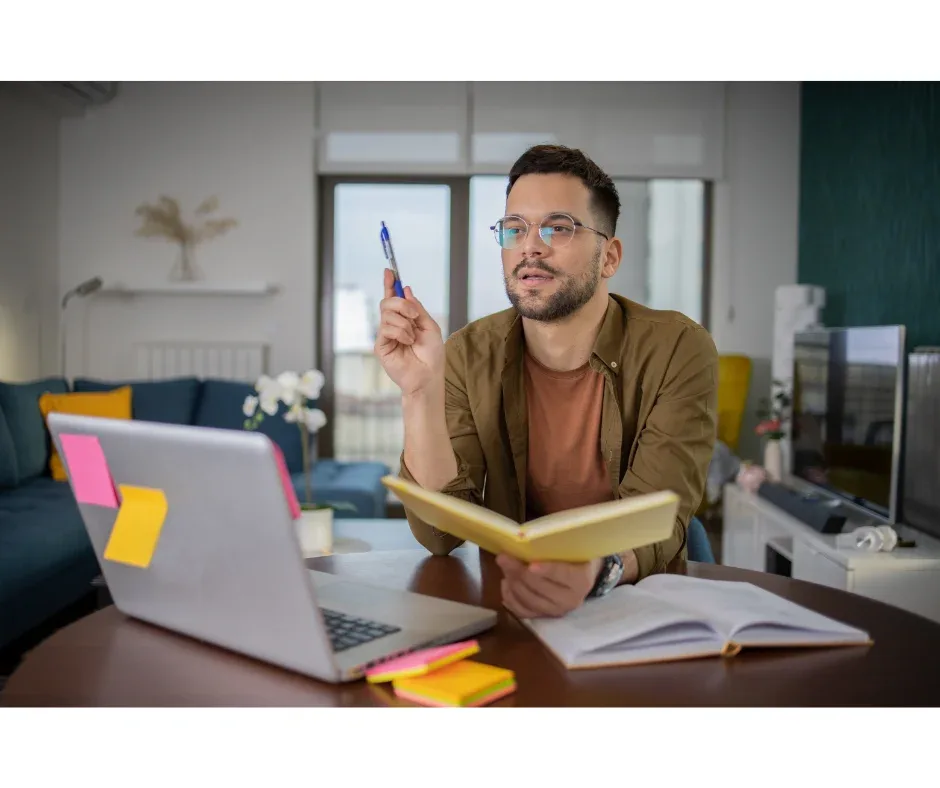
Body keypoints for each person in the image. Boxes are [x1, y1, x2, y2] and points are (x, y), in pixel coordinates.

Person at [374, 144, 718, 619]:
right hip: (516, 602)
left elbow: (660, 516)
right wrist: (419, 392)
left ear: (609, 257)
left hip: (638, 604)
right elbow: (439, 534)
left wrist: (593, 572)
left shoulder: (678, 347)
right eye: (514, 229)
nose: (530, 246)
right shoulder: (466, 354)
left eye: (558, 227)